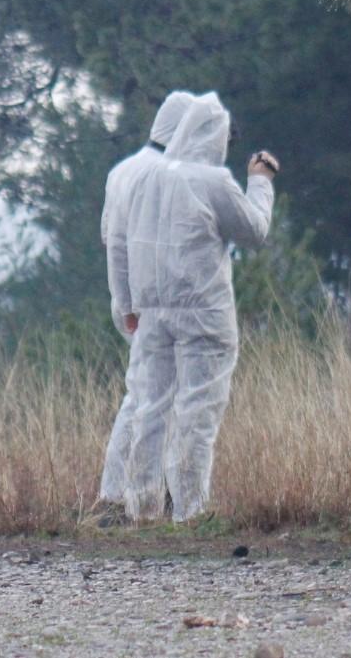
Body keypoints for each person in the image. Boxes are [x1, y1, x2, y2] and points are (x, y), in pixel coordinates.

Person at [116, 92, 277, 521]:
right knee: (197, 413)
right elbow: (254, 231)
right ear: (217, 139)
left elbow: (125, 240)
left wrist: (127, 300)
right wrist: (261, 181)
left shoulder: (148, 178)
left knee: (150, 409)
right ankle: (190, 511)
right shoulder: (213, 180)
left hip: (153, 311)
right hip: (204, 313)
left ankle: (142, 507)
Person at [98, 91, 195, 512]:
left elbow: (109, 238)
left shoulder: (122, 171)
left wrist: (124, 303)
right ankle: (125, 495)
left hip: (132, 303)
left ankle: (127, 494)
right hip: (156, 305)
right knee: (150, 400)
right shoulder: (166, 176)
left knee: (142, 396)